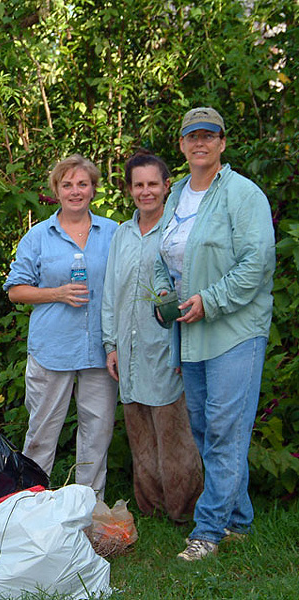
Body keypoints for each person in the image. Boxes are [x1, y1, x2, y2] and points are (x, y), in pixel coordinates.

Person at [154, 107, 275, 561]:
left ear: (222, 143)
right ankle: (239, 520)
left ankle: (208, 530)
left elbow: (257, 263)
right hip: (191, 333)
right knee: (207, 428)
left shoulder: (243, 194)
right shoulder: (178, 193)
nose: (200, 143)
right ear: (182, 145)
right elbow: (161, 257)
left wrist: (211, 300)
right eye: (191, 136)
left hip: (234, 332)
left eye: (209, 136)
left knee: (226, 428)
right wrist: (164, 291)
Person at [3, 154, 118, 499]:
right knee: (41, 434)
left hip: (100, 350)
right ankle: (32, 505)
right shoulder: (38, 237)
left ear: (93, 190)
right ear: (56, 190)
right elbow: (15, 291)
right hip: (52, 349)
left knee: (97, 434)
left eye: (82, 184)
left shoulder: (113, 232)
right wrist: (57, 293)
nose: (75, 191)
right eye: (67, 185)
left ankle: (88, 509)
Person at [101, 150, 203, 523]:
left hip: (167, 349)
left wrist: (182, 349)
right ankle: (150, 508)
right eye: (138, 184)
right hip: (128, 351)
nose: (146, 191)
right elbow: (111, 292)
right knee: (139, 431)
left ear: (166, 186)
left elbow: (186, 289)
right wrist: (110, 345)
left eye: (152, 184)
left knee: (173, 433)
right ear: (129, 189)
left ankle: (184, 511)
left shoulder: (177, 233)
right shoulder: (122, 234)